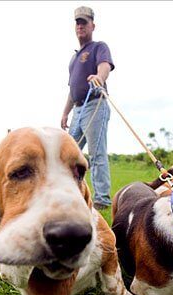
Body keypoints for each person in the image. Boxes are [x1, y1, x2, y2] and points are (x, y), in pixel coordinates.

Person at [61, 6, 114, 210]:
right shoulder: (74, 58)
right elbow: (72, 88)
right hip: (77, 109)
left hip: (95, 105)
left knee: (96, 153)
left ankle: (101, 199)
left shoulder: (99, 47)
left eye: (84, 22)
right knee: (67, 154)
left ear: (93, 25)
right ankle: (69, 192)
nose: (80, 26)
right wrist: (65, 112)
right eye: (77, 23)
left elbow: (105, 66)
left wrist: (99, 78)